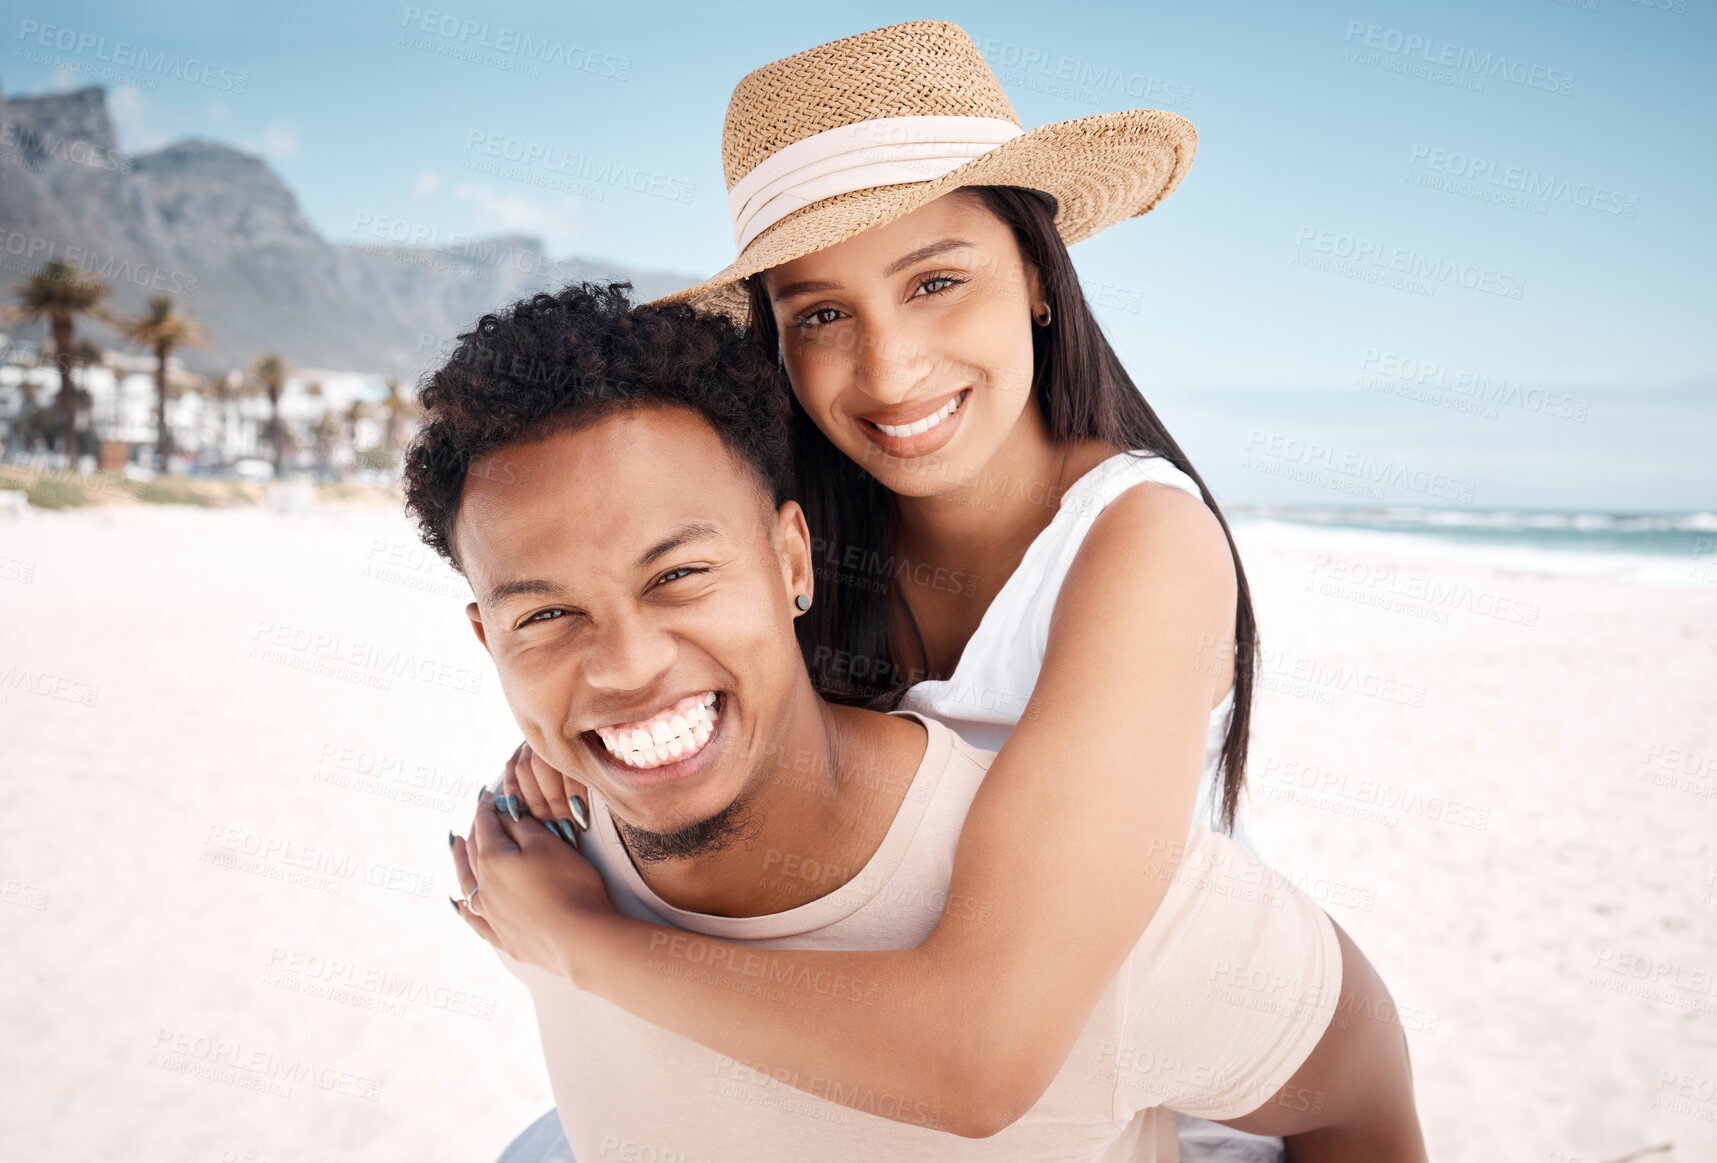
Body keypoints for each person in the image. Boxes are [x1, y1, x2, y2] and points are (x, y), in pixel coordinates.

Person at [489, 20, 1383, 1161]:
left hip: (1113, 1077)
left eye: (936, 281)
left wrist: (579, 942)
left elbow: (984, 1056)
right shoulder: (799, 527)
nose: (888, 366)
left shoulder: (1141, 542)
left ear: (1039, 281)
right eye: (820, 313)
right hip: (846, 1048)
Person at [405, 281, 1425, 1161]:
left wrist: (582, 941)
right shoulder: (542, 857)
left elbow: (1354, 1065)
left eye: (678, 574)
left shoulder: (1079, 921)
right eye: (546, 614)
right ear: (486, 639)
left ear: (792, 560)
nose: (625, 663)